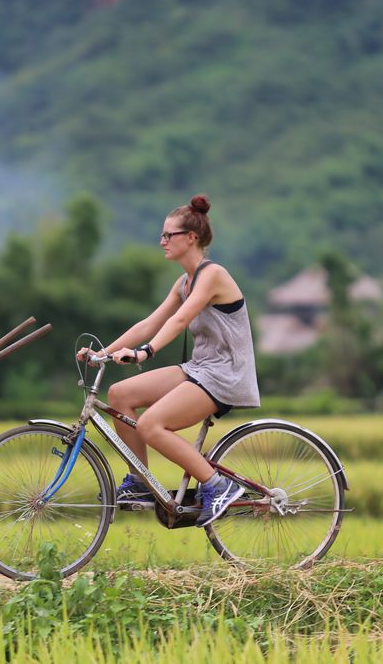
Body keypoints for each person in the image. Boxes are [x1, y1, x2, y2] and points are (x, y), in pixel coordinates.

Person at [76, 194, 260, 527]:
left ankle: (218, 485)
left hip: (225, 375)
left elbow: (178, 321)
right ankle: (141, 483)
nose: (161, 241)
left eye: (168, 235)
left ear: (191, 238)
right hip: (200, 369)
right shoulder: (184, 282)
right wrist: (102, 354)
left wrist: (145, 352)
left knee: (150, 425)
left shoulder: (213, 275)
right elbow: (150, 322)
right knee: (120, 395)